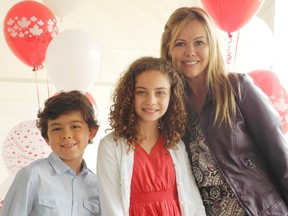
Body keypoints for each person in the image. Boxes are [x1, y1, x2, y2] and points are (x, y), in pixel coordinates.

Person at [160, 6, 288, 216]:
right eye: (180, 44)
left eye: (199, 42)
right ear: (168, 51)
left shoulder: (238, 88)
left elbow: (281, 157)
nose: (190, 51)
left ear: (212, 46)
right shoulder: (169, 107)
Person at [97, 56, 206, 216]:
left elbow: (192, 200)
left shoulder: (176, 144)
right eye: (141, 92)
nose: (151, 101)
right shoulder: (110, 146)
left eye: (160, 93)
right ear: (129, 96)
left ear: (171, 97)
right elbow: (111, 207)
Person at [1, 91, 101, 216]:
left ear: (92, 132)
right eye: (57, 129)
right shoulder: (32, 176)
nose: (66, 135)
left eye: (75, 126)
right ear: (46, 138)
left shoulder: (98, 185)